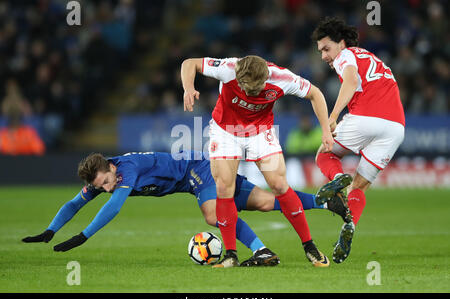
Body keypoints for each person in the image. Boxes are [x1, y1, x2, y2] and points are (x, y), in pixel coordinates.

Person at [22, 151, 348, 267]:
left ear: (110, 166)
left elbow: (115, 207)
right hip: (192, 178)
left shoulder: (127, 170)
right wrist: (51, 230)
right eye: (102, 185)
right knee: (264, 203)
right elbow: (73, 203)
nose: (106, 187)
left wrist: (83, 236)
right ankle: (326, 201)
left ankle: (260, 250)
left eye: (106, 181)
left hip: (197, 171)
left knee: (211, 214)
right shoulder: (102, 178)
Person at [181, 55, 334, 267]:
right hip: (226, 131)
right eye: (245, 88)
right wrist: (189, 88)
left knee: (280, 184)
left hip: (259, 133)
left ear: (265, 79)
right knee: (224, 187)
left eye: (255, 89)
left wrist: (325, 130)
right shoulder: (228, 68)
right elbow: (190, 63)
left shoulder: (282, 77)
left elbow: (315, 93)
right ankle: (230, 255)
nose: (249, 94)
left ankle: (310, 246)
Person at [311, 17, 405, 263]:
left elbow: (351, 81)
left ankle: (336, 177)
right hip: (396, 127)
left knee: (324, 153)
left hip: (366, 117)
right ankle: (350, 225)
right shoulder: (372, 58)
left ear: (341, 44)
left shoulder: (346, 56)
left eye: (326, 49)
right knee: (360, 186)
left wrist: (332, 117)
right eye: (320, 51)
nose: (323, 56)